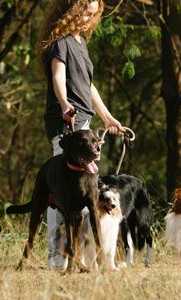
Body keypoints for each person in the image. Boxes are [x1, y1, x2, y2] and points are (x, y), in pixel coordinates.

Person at [38, 0, 124, 270]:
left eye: (93, 14)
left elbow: (89, 87)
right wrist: (64, 103)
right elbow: (58, 75)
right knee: (62, 193)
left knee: (86, 194)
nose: (89, 18)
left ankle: (84, 257)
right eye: (85, 12)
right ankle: (57, 257)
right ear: (71, 10)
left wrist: (108, 117)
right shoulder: (61, 41)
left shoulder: (80, 44)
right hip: (66, 124)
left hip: (84, 122)